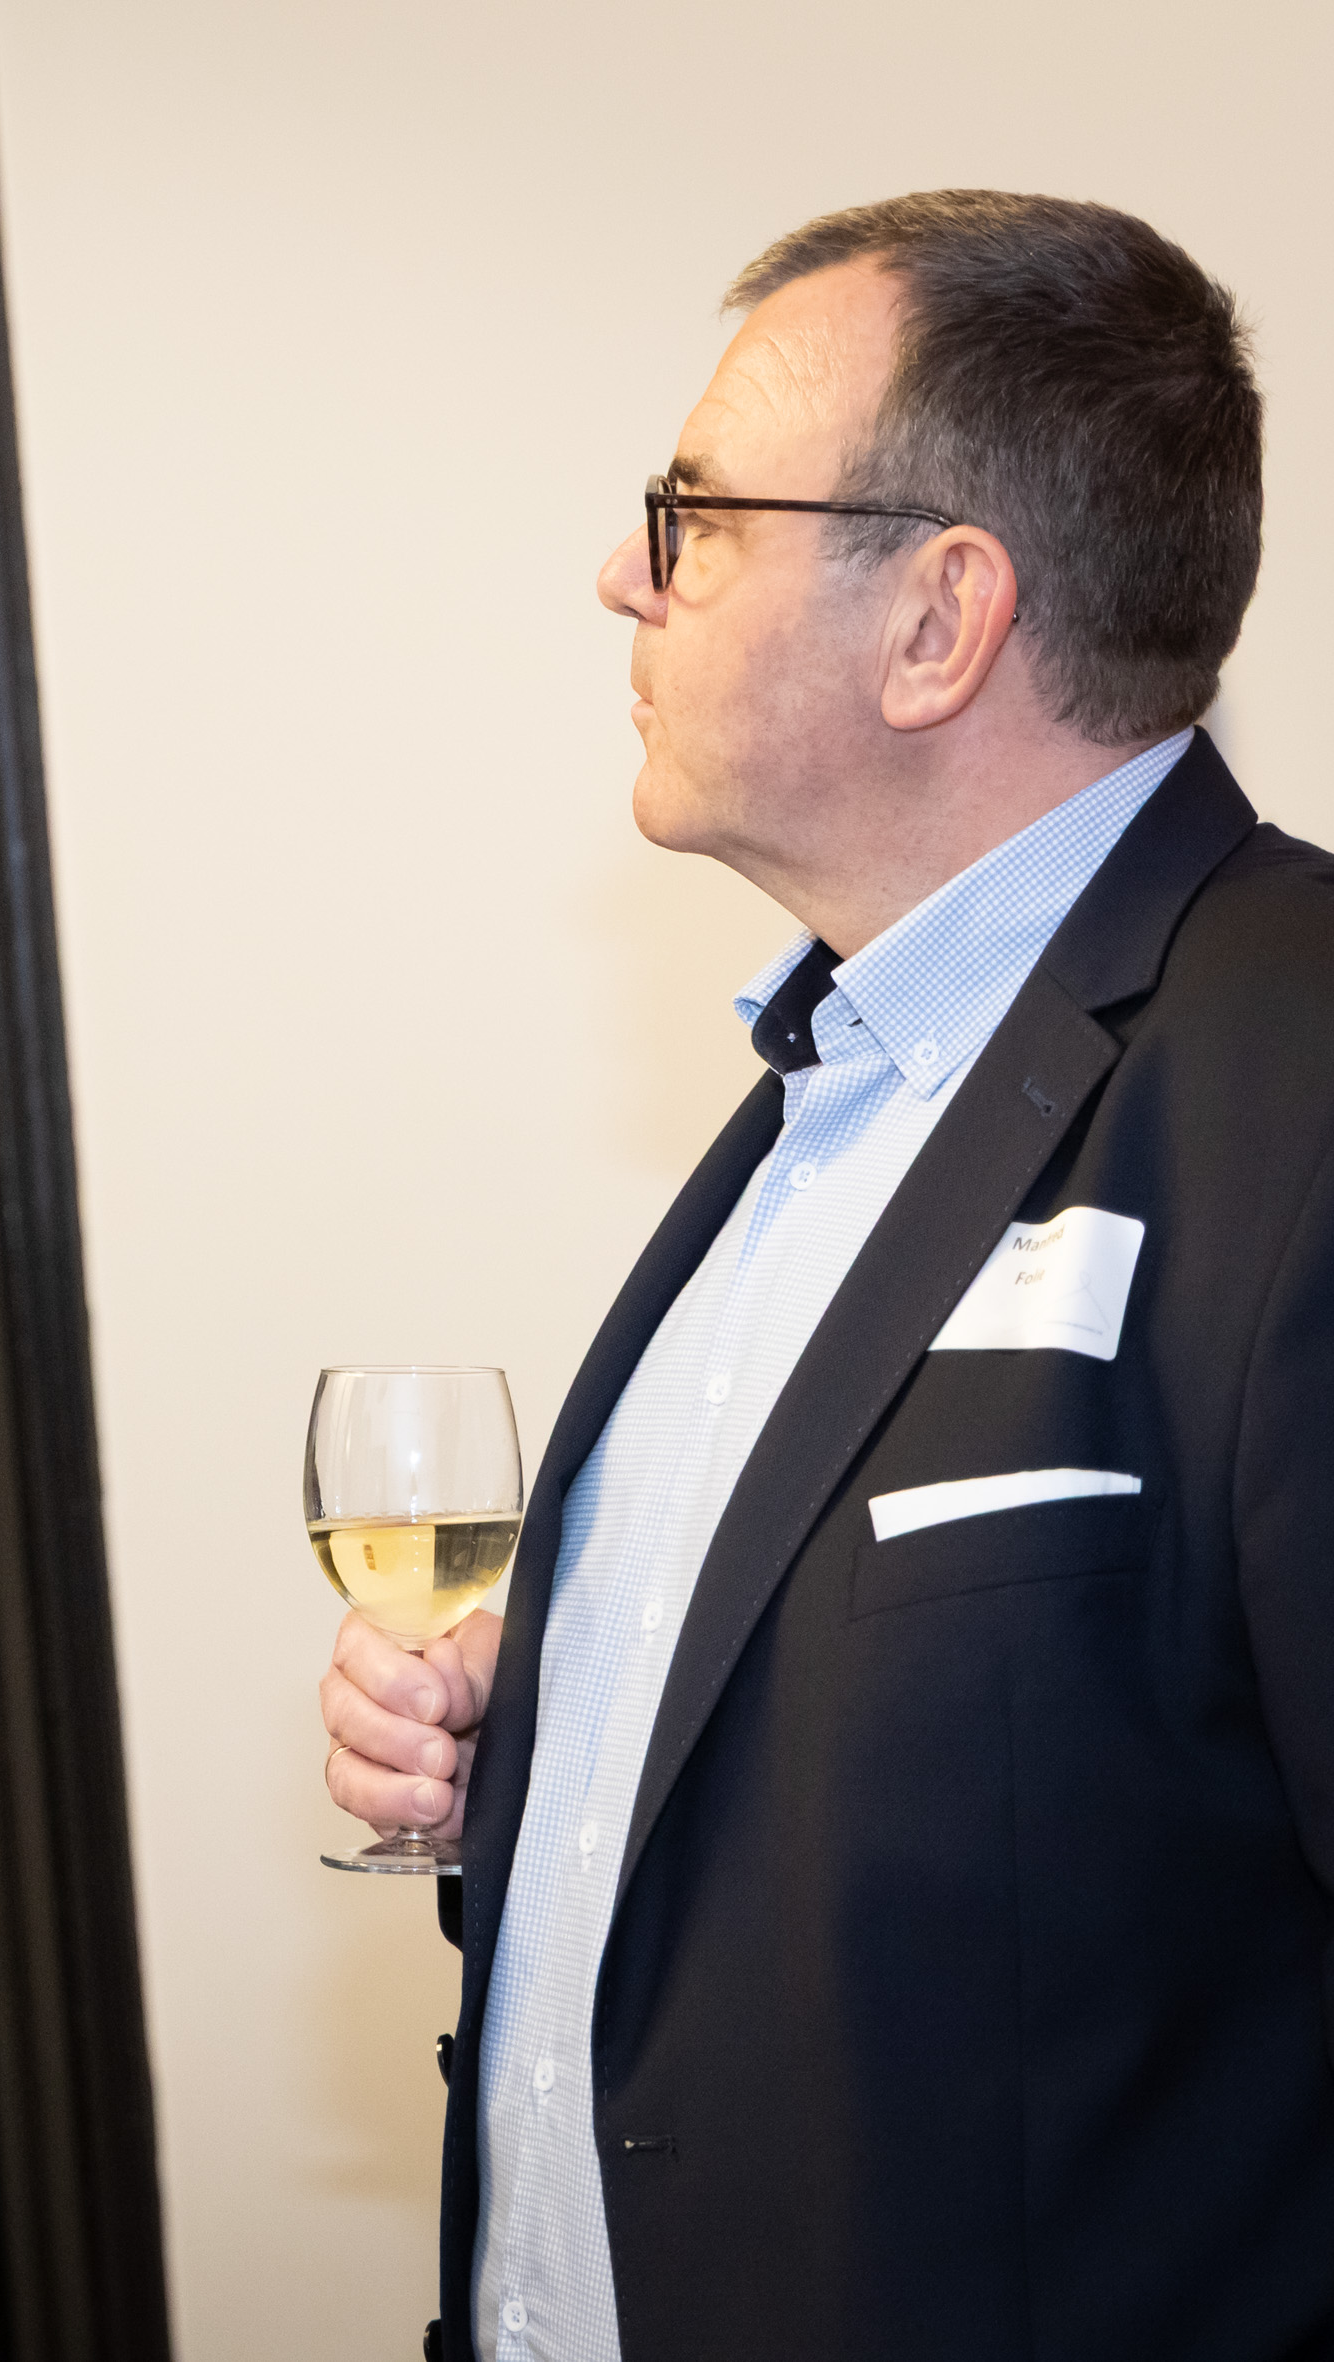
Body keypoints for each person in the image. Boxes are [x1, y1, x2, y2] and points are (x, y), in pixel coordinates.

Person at [321, 189, 1334, 2360]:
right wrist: (562, 1724)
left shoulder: (1298, 1074)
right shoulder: (837, 1077)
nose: (624, 575)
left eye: (692, 514)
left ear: (936, 621)